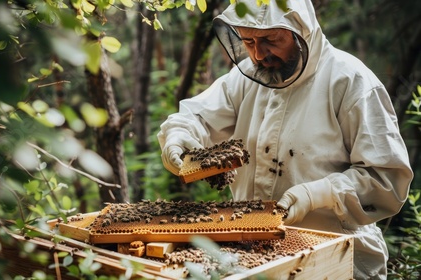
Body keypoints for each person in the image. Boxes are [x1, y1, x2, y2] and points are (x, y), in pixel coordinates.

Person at [157, 0, 413, 279]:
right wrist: (178, 137)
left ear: (300, 29)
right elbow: (198, 117)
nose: (258, 54)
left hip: (341, 258)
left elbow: (386, 180)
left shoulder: (350, 81)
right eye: (248, 41)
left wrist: (317, 195)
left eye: (270, 40)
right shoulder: (246, 78)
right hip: (253, 257)